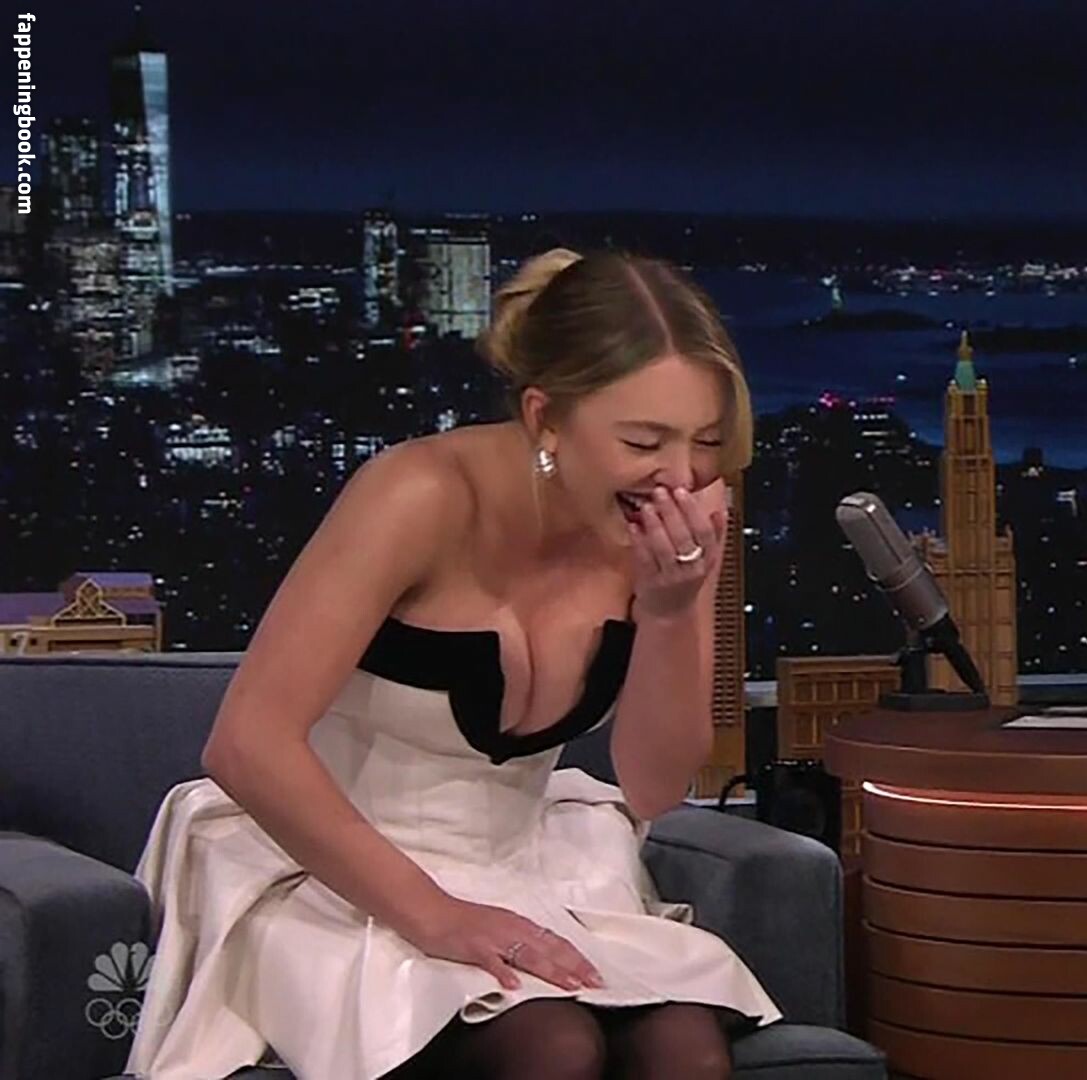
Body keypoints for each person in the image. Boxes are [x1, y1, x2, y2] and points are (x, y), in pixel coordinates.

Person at [127, 248, 781, 1080]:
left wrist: (672, 607)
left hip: (529, 862)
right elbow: (247, 744)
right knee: (554, 1048)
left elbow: (653, 786)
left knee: (684, 1053)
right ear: (546, 418)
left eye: (707, 442)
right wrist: (436, 915)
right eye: (643, 441)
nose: (680, 477)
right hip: (330, 866)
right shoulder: (418, 494)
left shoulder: (678, 524)